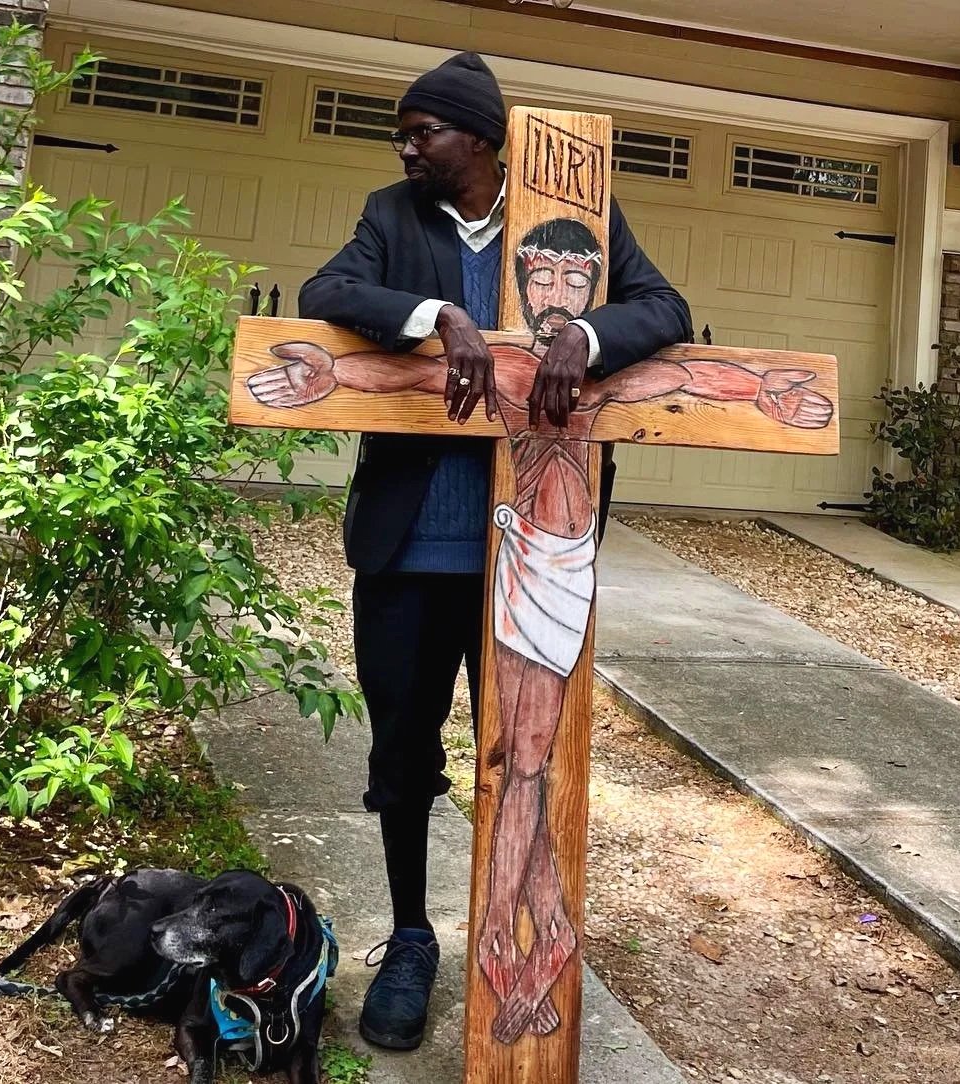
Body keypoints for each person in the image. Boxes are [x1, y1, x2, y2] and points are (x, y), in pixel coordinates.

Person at [295, 50, 693, 1052]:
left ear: (477, 137)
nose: (406, 148)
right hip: (408, 548)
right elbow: (326, 289)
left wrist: (585, 340)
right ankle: (412, 937)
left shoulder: (574, 219)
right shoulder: (393, 216)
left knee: (526, 760)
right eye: (404, 134)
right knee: (403, 752)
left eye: (421, 132)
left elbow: (665, 309)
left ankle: (511, 940)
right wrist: (441, 317)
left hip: (527, 553)